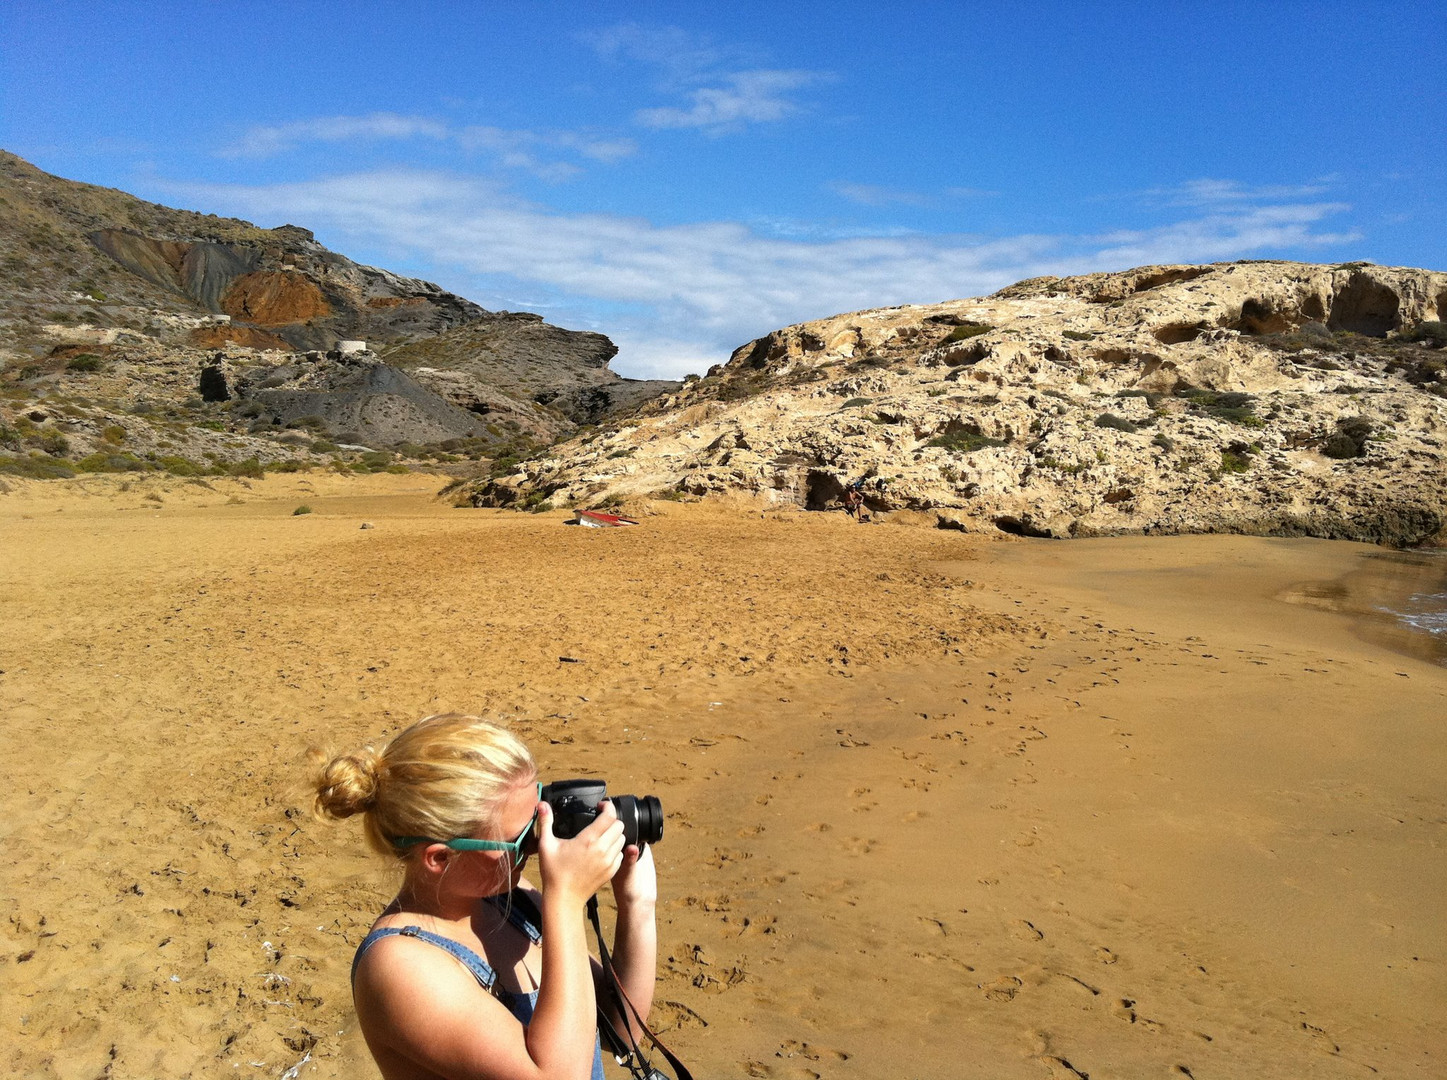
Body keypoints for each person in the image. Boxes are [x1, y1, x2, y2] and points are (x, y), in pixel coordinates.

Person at [311, 713, 657, 1080]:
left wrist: (636, 905)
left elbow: (620, 1029)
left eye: (538, 820)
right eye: (520, 839)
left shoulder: (513, 900)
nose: (541, 842)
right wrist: (567, 901)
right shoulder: (399, 966)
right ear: (441, 857)